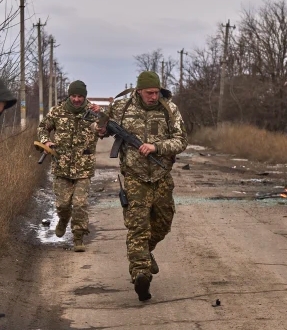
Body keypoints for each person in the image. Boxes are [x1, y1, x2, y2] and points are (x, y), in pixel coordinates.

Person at [98, 71, 187, 302]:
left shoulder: (169, 109)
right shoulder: (121, 108)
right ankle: (141, 274)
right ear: (139, 91)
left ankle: (144, 255)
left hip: (161, 176)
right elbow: (100, 130)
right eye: (149, 93)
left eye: (157, 92)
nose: (153, 96)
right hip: (135, 178)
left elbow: (181, 140)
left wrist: (156, 147)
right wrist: (99, 122)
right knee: (138, 228)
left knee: (163, 224)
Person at [37, 80, 101, 252]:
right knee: (63, 204)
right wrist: (46, 141)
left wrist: (103, 115)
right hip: (61, 166)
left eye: (80, 96)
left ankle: (78, 237)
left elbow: (107, 128)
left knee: (80, 204)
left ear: (85, 96)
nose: (77, 99)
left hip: (83, 168)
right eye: (74, 95)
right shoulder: (57, 112)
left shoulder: (93, 113)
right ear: (69, 95)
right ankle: (63, 219)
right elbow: (43, 127)